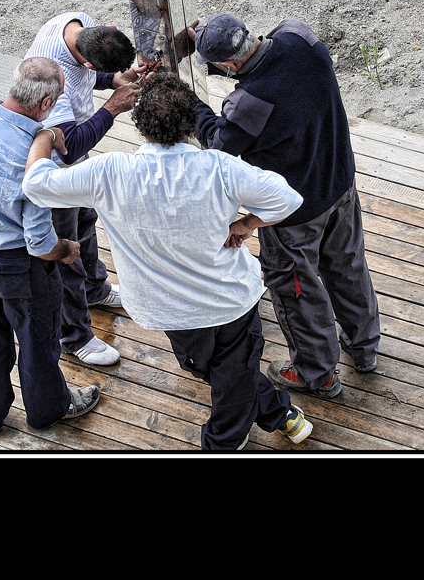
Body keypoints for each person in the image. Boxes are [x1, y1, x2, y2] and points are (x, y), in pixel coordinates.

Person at [22, 73, 313, 451]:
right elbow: (287, 199)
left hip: (166, 307)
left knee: (222, 370)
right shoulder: (219, 168)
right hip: (229, 300)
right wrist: (247, 223)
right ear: (190, 123)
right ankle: (244, 432)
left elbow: (36, 185)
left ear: (141, 126)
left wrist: (44, 135)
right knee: (231, 372)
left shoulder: (110, 172)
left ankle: (255, 426)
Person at [189, 13, 381, 400]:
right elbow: (278, 43)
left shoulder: (249, 102)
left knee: (297, 291)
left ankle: (317, 373)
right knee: (348, 265)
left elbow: (218, 144)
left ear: (228, 66)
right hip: (340, 183)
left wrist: (190, 104)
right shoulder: (301, 39)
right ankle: (364, 348)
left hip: (292, 213)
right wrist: (209, 32)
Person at [0, 56, 100, 433]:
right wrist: (65, 250)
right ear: (46, 105)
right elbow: (39, 242)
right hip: (18, 266)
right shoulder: (35, 159)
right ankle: (48, 409)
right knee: (37, 342)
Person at [24, 11, 147, 366]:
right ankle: (75, 337)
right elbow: (70, 146)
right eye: (96, 68)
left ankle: (96, 290)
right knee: (67, 253)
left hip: (75, 162)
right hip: (54, 171)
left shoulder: (76, 21)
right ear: (86, 61)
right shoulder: (53, 79)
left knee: (87, 223)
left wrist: (112, 78)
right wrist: (112, 108)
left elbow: (90, 76)